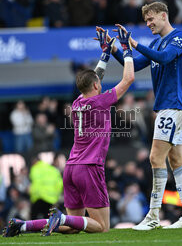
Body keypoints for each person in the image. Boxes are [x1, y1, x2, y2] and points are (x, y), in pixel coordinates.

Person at [3, 26, 135, 237]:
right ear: (96, 86)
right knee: (102, 227)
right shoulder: (100, 102)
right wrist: (126, 49)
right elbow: (128, 79)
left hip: (71, 168)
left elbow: (94, 78)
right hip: (89, 168)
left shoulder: (77, 102)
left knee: (74, 228)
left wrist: (105, 53)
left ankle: (22, 225)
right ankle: (61, 217)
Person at [110, 1, 182, 229]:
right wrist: (116, 49)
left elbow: (165, 58)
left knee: (154, 158)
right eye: (146, 20)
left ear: (163, 15)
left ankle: (153, 216)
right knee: (176, 160)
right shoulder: (156, 43)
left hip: (172, 105)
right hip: (171, 107)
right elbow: (133, 64)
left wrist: (135, 43)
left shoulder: (179, 38)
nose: (148, 23)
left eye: (151, 19)